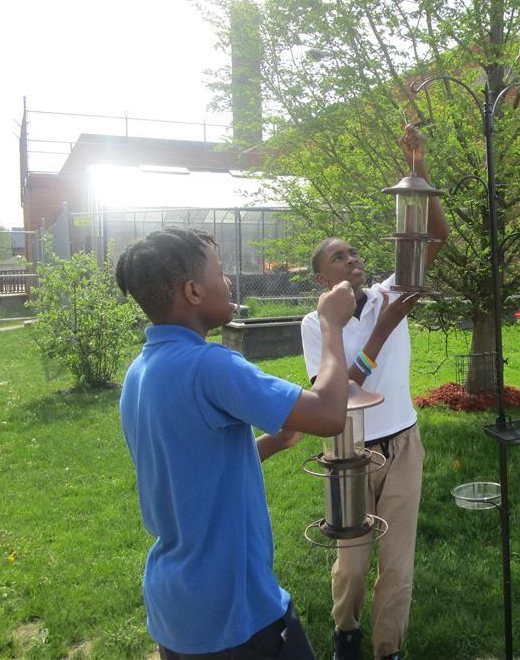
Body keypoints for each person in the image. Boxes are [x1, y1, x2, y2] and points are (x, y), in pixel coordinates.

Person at [115, 227, 357, 660]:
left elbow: (188, 469)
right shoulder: (210, 365)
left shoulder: (141, 371)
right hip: (236, 614)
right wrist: (330, 326)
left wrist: (272, 443)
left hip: (178, 609)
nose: (228, 282)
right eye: (221, 272)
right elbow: (328, 413)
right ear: (193, 291)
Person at [301, 125, 449, 660]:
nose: (353, 260)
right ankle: (346, 632)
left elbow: (436, 237)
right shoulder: (317, 323)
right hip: (350, 451)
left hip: (404, 443)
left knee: (399, 564)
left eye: (355, 252)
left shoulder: (391, 290)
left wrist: (419, 167)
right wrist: (384, 329)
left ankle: (388, 650)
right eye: (339, 257)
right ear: (322, 277)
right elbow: (337, 394)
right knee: (353, 561)